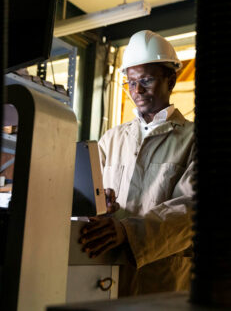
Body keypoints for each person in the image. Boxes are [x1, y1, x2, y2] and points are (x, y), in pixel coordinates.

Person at [79, 30, 195, 297]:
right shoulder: (111, 139)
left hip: (161, 280)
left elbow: (191, 210)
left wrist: (128, 231)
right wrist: (97, 204)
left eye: (146, 80)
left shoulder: (193, 140)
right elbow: (87, 198)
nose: (137, 91)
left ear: (171, 80)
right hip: (104, 274)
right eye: (130, 83)